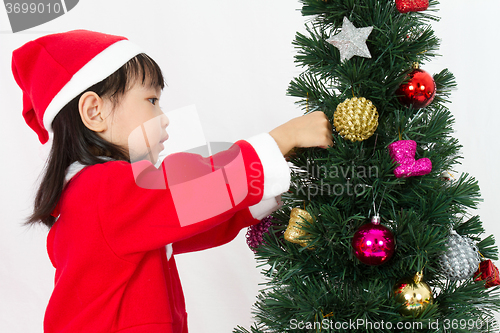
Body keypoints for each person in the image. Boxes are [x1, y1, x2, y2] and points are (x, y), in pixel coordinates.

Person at [12, 30, 333, 333]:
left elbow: (197, 219)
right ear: (94, 111)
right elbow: (187, 192)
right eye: (151, 100)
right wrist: (279, 140)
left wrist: (270, 177)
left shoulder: (100, 200)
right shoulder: (101, 189)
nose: (163, 116)